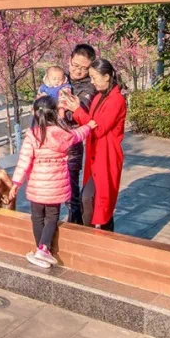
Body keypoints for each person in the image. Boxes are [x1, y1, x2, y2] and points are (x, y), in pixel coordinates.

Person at [9, 95, 94, 269]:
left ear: (35, 113)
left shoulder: (32, 135)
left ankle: (39, 249)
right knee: (52, 217)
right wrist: (89, 126)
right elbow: (77, 135)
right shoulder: (62, 133)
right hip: (56, 186)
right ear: (54, 113)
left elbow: (24, 161)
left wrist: (16, 183)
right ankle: (43, 249)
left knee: (37, 217)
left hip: (37, 186)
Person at [62, 58, 126, 232]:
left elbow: (98, 128)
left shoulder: (117, 100)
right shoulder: (98, 97)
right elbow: (88, 121)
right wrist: (74, 108)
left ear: (107, 76)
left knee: (98, 200)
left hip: (107, 155)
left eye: (94, 77)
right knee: (92, 199)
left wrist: (78, 111)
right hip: (95, 154)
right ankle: (94, 235)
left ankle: (97, 236)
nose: (92, 82)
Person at [63, 43, 97, 224]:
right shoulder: (59, 78)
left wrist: (59, 107)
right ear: (69, 60)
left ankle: (74, 225)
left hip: (72, 142)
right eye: (75, 65)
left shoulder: (90, 86)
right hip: (51, 141)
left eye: (84, 68)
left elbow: (75, 114)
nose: (78, 71)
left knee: (71, 190)